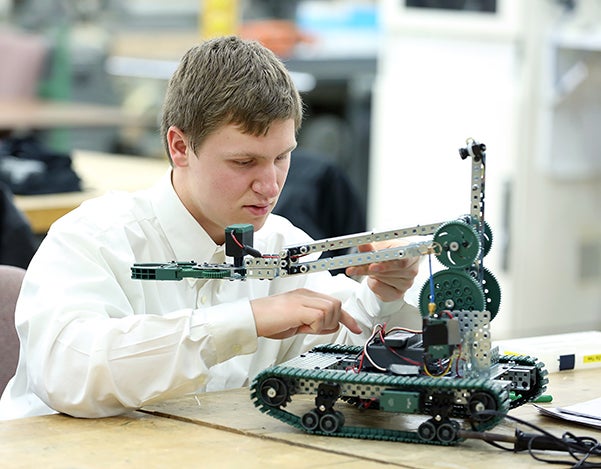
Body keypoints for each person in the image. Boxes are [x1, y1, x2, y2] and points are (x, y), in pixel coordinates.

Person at [0, 36, 420, 420]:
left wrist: (380, 297)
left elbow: (342, 359)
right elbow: (70, 374)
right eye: (244, 162)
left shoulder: (283, 242)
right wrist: (243, 321)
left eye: (282, 157)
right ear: (180, 147)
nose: (270, 185)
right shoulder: (90, 238)